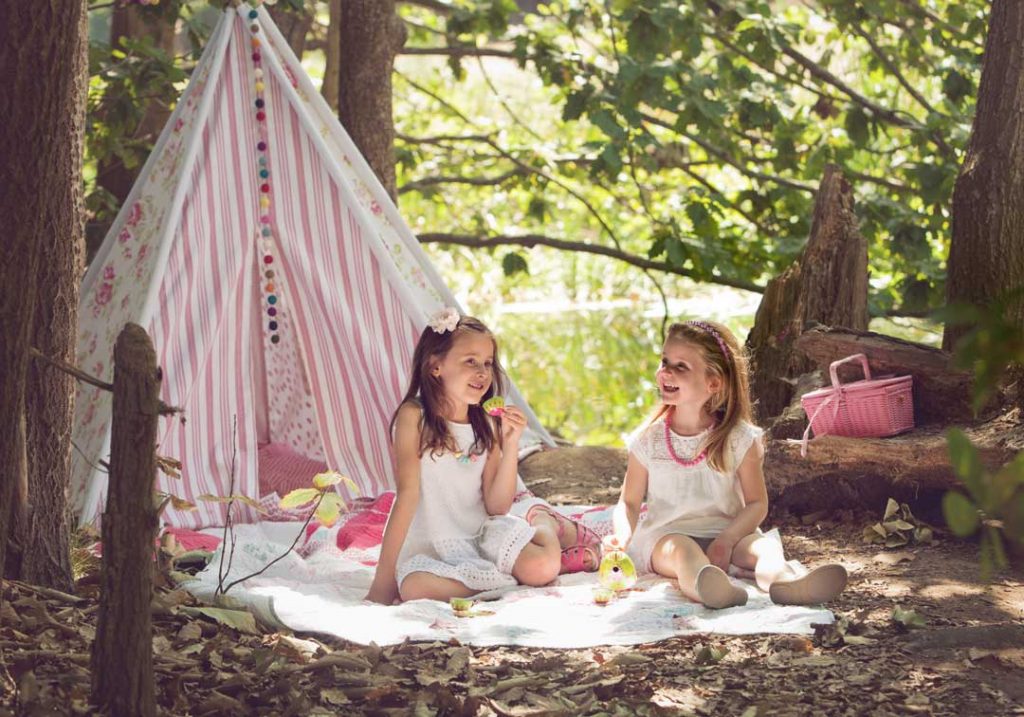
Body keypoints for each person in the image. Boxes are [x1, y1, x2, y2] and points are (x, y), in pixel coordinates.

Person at [610, 320, 848, 609]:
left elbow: (756, 503)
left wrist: (727, 539)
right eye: (664, 361)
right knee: (684, 553)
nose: (666, 371)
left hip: (726, 531)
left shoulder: (738, 439)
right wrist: (622, 538)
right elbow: (629, 502)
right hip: (665, 537)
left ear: (713, 383)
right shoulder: (649, 440)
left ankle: (786, 582)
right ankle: (708, 588)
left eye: (681, 366)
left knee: (763, 548)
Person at [366, 309, 561, 604]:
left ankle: (544, 522)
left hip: (482, 537)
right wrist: (383, 583)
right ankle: (502, 581)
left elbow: (496, 506)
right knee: (414, 589)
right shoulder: (413, 417)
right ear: (435, 366)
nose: (483, 373)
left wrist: (510, 445)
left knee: (544, 566)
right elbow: (406, 496)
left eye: (487, 363)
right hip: (434, 546)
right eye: (470, 362)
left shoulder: (487, 422)